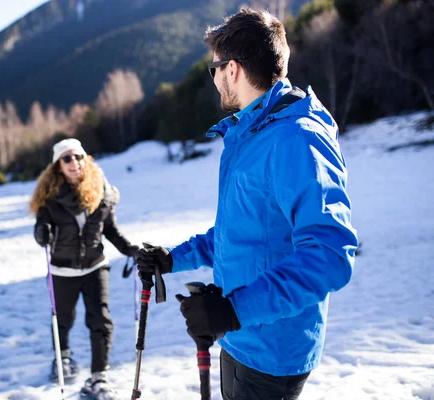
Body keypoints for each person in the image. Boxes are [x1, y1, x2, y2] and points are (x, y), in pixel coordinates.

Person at [137, 8, 358, 400]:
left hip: (271, 351)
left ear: (233, 70)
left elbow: (330, 254)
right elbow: (244, 231)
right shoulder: (251, 132)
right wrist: (173, 258)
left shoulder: (296, 139)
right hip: (237, 337)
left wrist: (235, 310)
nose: (216, 79)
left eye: (215, 69)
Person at [30, 138, 139, 399]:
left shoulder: (101, 191)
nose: (74, 163)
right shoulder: (49, 199)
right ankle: (63, 357)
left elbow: (109, 229)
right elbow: (40, 227)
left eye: (78, 157)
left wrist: (129, 249)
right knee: (63, 319)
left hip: (95, 267)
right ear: (58, 166)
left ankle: (98, 376)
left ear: (85, 159)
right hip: (62, 270)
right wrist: (41, 232)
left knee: (101, 321)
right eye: (67, 158)